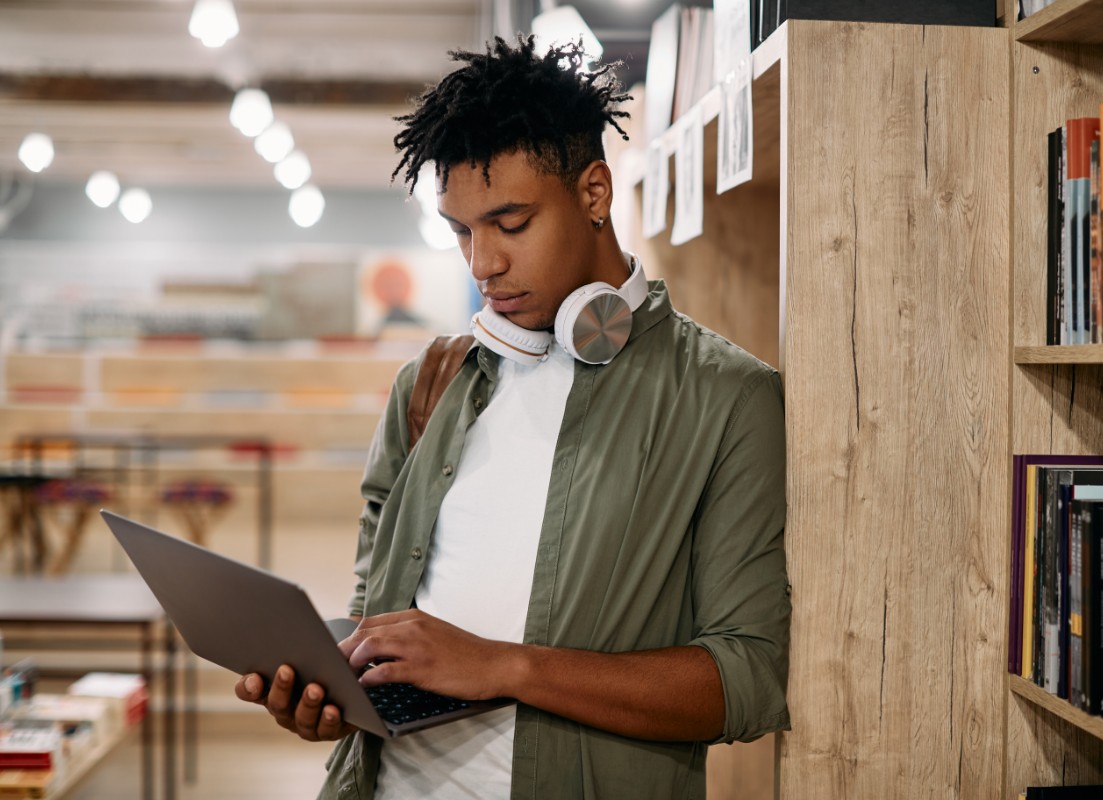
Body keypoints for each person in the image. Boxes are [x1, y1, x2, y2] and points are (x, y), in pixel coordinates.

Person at [235, 35, 790, 799]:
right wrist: (337, 694)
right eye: (462, 230)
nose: (480, 264)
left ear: (594, 194)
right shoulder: (432, 383)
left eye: (510, 223)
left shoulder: (727, 398)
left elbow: (748, 679)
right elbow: (377, 615)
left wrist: (504, 664)